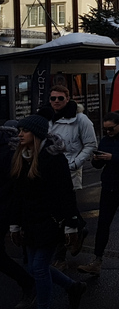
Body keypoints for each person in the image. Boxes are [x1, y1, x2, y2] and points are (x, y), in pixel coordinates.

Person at [9, 115, 87, 309]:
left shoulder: (53, 157)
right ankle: (72, 287)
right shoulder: (21, 156)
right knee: (33, 266)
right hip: (31, 221)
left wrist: (71, 224)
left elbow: (65, 192)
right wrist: (15, 223)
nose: (20, 135)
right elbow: (17, 194)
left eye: (24, 131)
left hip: (50, 221)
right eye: (19, 131)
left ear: (35, 133)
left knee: (39, 267)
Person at [78, 111, 119, 276]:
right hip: (109, 185)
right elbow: (98, 165)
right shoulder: (106, 140)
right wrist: (97, 160)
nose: (108, 132)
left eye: (111, 129)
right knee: (103, 223)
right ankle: (97, 259)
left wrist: (112, 157)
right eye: (105, 129)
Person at [38, 85, 96, 270]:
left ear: (68, 98)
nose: (56, 101)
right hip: (47, 172)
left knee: (62, 213)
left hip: (68, 170)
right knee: (56, 211)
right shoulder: (45, 118)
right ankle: (79, 229)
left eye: (60, 98)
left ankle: (60, 256)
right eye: (53, 98)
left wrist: (75, 163)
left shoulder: (80, 119)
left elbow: (90, 144)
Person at [0, 119, 36, 309]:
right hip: (9, 209)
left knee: (36, 262)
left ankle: (29, 283)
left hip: (7, 209)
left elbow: (15, 188)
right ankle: (70, 285)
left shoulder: (9, 154)